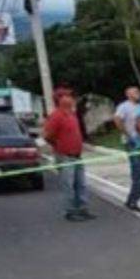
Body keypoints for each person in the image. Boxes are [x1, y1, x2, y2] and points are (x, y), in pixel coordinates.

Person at [43, 88, 94, 221]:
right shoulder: (56, 116)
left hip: (77, 155)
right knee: (68, 185)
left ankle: (82, 208)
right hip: (64, 155)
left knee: (81, 184)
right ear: (59, 99)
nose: (71, 99)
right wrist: (58, 146)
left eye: (71, 96)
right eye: (67, 96)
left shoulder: (72, 114)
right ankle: (70, 211)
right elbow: (48, 136)